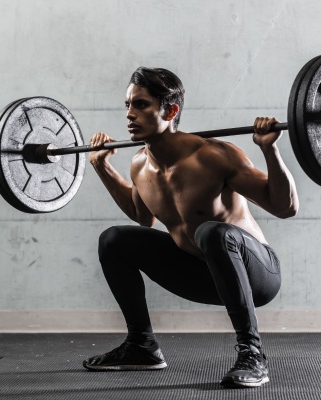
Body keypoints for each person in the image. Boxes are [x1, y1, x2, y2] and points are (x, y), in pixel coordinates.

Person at [82, 67, 299, 388]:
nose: (129, 114)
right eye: (127, 104)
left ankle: (252, 353)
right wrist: (102, 166)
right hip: (201, 276)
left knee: (212, 232)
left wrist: (270, 149)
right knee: (113, 240)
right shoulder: (140, 164)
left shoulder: (214, 155)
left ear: (170, 111)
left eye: (141, 105)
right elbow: (143, 217)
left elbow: (285, 207)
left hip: (256, 277)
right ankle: (141, 346)